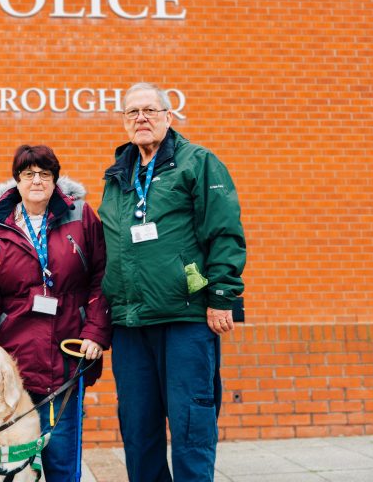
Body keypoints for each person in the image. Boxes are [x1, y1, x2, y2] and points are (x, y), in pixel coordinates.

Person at [98, 83, 246, 482]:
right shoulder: (116, 175)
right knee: (138, 429)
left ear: (168, 116)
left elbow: (224, 232)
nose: (141, 118)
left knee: (190, 425)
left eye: (149, 110)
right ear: (124, 122)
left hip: (185, 317)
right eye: (132, 113)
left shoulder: (198, 162)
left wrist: (222, 297)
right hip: (130, 324)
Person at [0, 144, 111, 482]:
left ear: (56, 180)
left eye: (45, 174)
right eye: (28, 174)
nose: (37, 180)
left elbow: (103, 276)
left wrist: (96, 333)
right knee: (9, 467)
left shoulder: (81, 216)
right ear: (16, 180)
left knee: (61, 459)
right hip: (12, 364)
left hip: (66, 354)